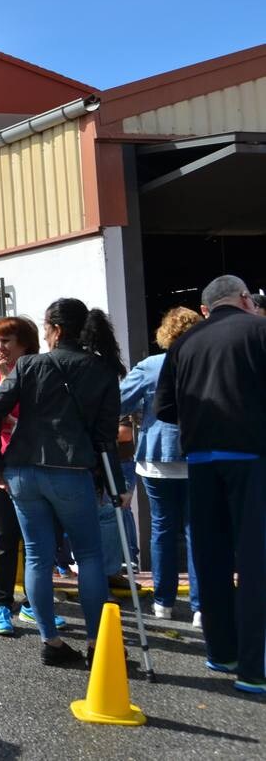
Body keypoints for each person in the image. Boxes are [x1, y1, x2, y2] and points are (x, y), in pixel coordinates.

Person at [0, 298, 125, 668]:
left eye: (46, 327)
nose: (44, 334)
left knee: (37, 555)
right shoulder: (102, 369)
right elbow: (106, 435)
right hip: (73, 471)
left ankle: (51, 641)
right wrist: (116, 484)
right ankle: (97, 642)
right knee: (89, 556)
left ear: (56, 330)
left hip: (22, 471)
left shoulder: (29, 365)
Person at [154, 275, 266, 694]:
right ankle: (256, 669)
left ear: (205, 308)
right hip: (253, 457)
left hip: (200, 460)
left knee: (212, 557)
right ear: (243, 299)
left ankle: (222, 652)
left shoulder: (184, 343)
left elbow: (164, 406)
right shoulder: (260, 330)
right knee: (256, 560)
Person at [0, 317, 65, 636]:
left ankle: (34, 605)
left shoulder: (38, 372)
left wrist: (10, 401)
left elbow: (28, 417)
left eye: (7, 340)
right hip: (2, 468)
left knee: (37, 541)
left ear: (25, 344)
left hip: (36, 465)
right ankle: (1, 605)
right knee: (3, 539)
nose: (0, 347)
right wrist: (2, 382)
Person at [121, 307, 202, 627]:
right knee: (198, 532)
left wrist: (142, 411)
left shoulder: (150, 366)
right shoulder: (204, 361)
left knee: (162, 529)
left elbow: (119, 403)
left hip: (156, 456)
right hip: (198, 455)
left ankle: (163, 603)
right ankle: (201, 606)